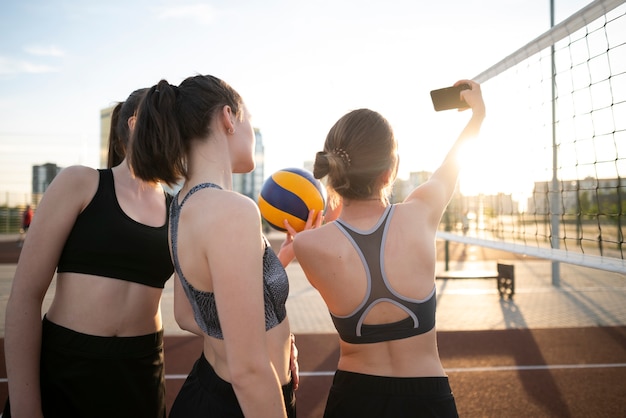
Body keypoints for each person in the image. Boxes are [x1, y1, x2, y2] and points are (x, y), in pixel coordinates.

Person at [292, 79, 486, 417]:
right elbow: (450, 168)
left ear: (333, 174)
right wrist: (476, 117)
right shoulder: (421, 213)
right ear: (389, 173)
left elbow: (340, 221)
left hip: (353, 399)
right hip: (427, 400)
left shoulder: (308, 245)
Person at [129, 74, 311, 418]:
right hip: (243, 403)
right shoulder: (233, 210)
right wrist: (258, 352)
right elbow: (248, 371)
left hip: (212, 391)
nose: (252, 133)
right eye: (250, 121)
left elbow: (189, 314)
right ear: (228, 118)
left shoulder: (182, 206)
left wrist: (269, 338)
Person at [3, 88, 176, 418]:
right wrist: (25, 408)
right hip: (67, 365)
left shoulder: (179, 209)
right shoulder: (80, 182)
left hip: (141, 372)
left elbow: (204, 305)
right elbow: (24, 297)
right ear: (137, 124)